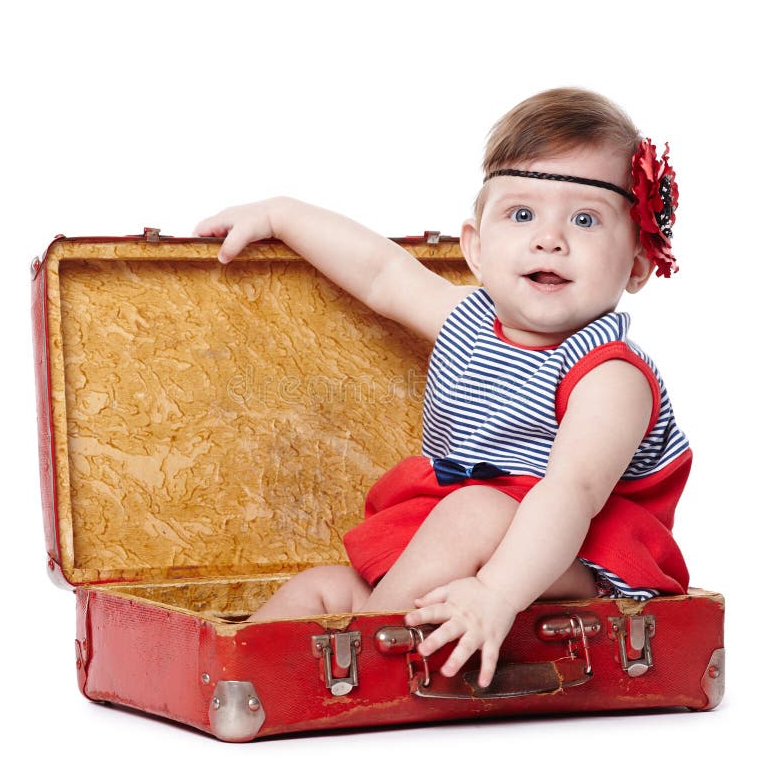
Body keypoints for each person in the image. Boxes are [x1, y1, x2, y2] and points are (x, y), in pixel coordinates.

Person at [194, 87, 691, 689]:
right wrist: (281, 214)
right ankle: (240, 682)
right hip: (450, 531)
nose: (549, 238)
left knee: (476, 509)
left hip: (572, 553)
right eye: (522, 214)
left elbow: (570, 493)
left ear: (637, 264)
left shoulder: (611, 374)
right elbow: (381, 272)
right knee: (320, 587)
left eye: (585, 219)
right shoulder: (467, 318)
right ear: (476, 248)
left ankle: (365, 653)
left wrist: (495, 593)